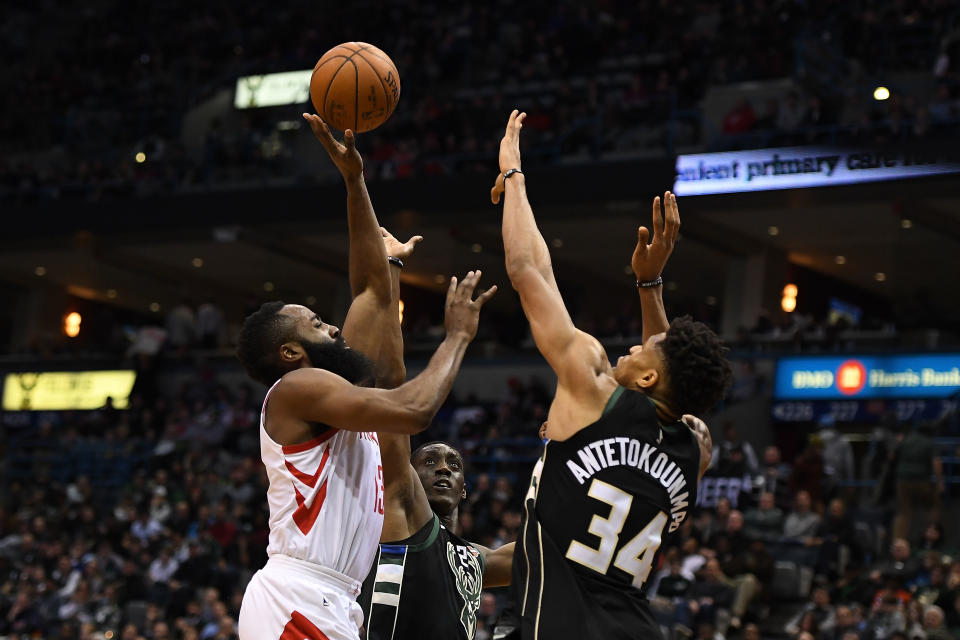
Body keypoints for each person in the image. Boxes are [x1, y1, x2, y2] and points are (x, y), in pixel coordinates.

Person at [235, 115, 496, 640]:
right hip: (297, 596)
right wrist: (458, 337)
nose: (330, 325)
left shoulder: (340, 399)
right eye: (315, 323)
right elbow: (413, 409)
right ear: (290, 352)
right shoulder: (296, 389)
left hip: (337, 600)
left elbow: (372, 293)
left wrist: (355, 182)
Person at [491, 110, 732, 639]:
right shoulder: (697, 451)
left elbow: (528, 270)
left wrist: (513, 174)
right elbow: (678, 393)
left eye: (649, 347)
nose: (636, 343)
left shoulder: (593, 389)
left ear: (649, 379)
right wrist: (650, 289)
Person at [356, 237, 513, 640]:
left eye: (454, 465)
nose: (443, 467)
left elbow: (562, 547)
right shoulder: (397, 506)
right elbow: (389, 386)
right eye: (429, 462)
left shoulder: (474, 560)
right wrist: (390, 268)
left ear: (464, 491)